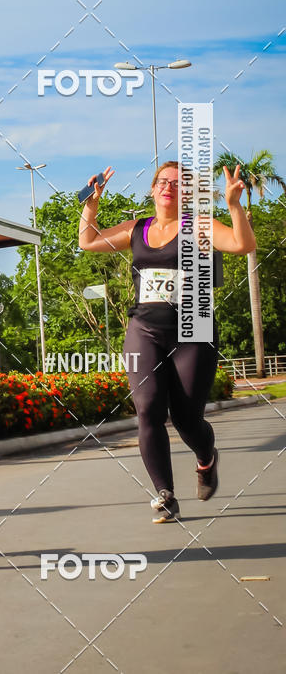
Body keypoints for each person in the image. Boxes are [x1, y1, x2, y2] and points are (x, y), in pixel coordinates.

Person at [78, 162, 255, 523]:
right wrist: (91, 204)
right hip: (144, 328)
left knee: (187, 418)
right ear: (153, 188)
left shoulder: (199, 227)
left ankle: (206, 459)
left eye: (177, 183)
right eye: (162, 181)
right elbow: (88, 241)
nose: (168, 187)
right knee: (148, 409)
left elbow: (242, 244)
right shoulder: (135, 229)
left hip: (194, 330)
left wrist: (234, 206)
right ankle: (165, 494)